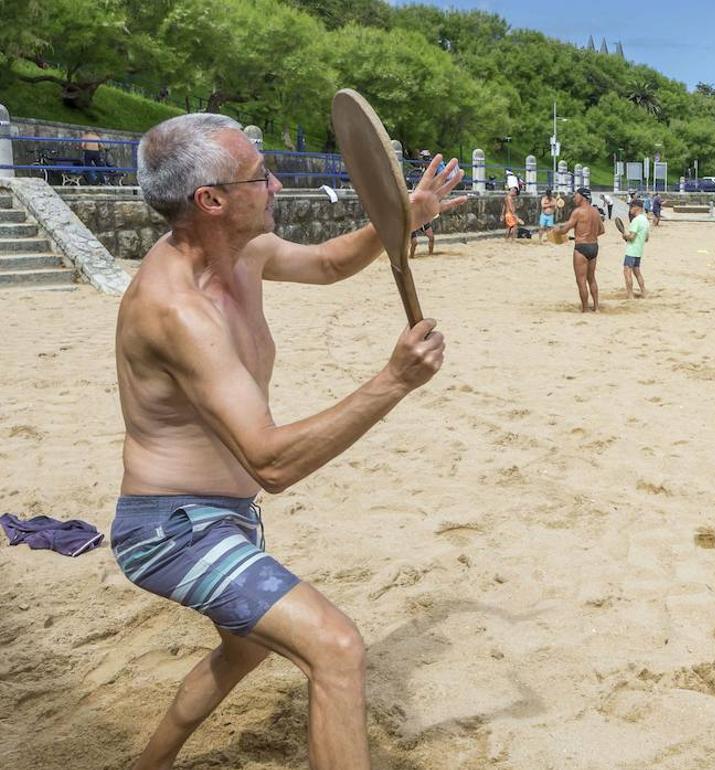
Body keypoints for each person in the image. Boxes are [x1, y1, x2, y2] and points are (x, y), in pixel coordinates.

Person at [111, 113, 465, 770]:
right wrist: (394, 381)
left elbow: (330, 263)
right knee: (336, 649)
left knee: (245, 649)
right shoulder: (176, 310)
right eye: (257, 176)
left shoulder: (239, 251)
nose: (274, 183)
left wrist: (403, 214)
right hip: (173, 529)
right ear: (209, 200)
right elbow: (270, 461)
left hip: (225, 515)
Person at [551, 187, 605, 312]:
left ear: (582, 197)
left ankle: (585, 309)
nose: (574, 198)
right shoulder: (596, 212)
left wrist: (557, 230)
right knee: (591, 278)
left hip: (581, 247)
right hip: (594, 247)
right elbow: (601, 230)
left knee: (581, 281)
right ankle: (596, 307)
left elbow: (565, 229)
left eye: (576, 195)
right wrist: (589, 234)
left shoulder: (578, 212)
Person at [620, 198, 649, 298]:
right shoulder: (645, 220)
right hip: (639, 251)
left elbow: (631, 237)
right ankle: (644, 292)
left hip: (631, 251)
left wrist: (625, 236)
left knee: (627, 272)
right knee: (637, 272)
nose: (630, 209)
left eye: (631, 207)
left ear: (637, 207)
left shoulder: (636, 221)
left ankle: (630, 295)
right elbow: (646, 238)